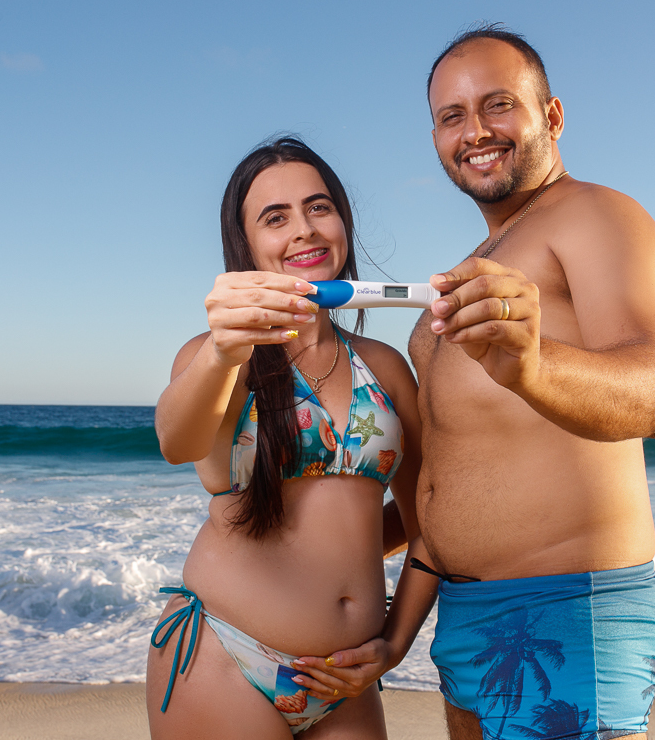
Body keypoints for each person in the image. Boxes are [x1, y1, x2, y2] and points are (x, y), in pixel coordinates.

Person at [312, 26, 655, 739]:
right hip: (464, 617)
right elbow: (447, 479)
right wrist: (395, 631)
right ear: (434, 139)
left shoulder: (595, 215)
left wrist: (535, 367)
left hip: (568, 611)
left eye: (497, 105)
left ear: (552, 116)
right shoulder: (480, 261)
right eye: (452, 116)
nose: (474, 130)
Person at [146, 136, 438, 739]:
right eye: (275, 218)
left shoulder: (382, 366)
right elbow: (179, 442)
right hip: (225, 656)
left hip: (344, 679)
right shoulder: (216, 357)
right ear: (246, 245)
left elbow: (429, 516)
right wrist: (226, 347)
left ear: (342, 223)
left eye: (319, 207)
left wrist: (395, 643)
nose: (303, 230)